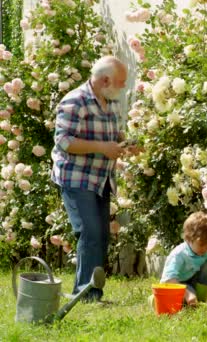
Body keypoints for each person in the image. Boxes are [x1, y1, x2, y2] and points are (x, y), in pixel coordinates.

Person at [51, 56, 129, 302]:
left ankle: (91, 292)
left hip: (100, 178)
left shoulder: (110, 101)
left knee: (102, 236)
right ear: (105, 80)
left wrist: (127, 144)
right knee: (90, 232)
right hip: (76, 178)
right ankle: (84, 295)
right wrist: (102, 147)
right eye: (120, 82)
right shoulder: (75, 101)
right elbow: (63, 141)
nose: (123, 87)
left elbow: (114, 136)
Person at [160, 211, 207, 306]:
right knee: (186, 293)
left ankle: (198, 299)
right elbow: (169, 279)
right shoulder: (179, 254)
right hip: (177, 284)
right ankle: (163, 299)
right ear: (189, 239)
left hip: (192, 282)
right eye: (202, 245)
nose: (206, 248)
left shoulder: (205, 253)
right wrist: (187, 293)